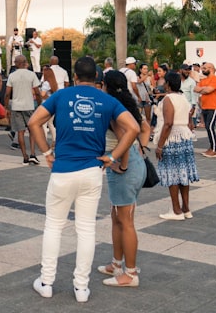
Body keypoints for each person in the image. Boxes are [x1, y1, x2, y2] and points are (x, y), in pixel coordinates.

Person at [27, 56, 139, 303]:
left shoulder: (61, 96)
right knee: (86, 229)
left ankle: (46, 281)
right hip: (92, 170)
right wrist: (112, 156)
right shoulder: (107, 100)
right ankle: (81, 287)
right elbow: (133, 128)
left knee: (53, 226)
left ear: (74, 76)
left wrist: (46, 152)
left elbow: (34, 121)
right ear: (97, 78)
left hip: (63, 170)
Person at [96, 70, 151, 288]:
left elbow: (123, 138)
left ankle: (130, 273)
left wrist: (122, 163)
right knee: (118, 217)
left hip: (124, 169)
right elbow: (144, 128)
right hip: (134, 164)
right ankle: (116, 264)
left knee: (125, 221)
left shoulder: (112, 108)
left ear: (105, 86)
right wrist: (142, 149)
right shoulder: (129, 105)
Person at [155, 71, 199, 220]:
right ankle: (186, 208)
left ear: (167, 84)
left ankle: (176, 210)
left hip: (172, 138)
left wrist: (160, 145)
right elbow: (189, 121)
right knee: (183, 173)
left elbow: (168, 123)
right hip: (184, 138)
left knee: (172, 174)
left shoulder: (168, 99)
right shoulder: (183, 98)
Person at [5, 55, 41, 165]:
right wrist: (40, 104)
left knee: (20, 132)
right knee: (32, 131)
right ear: (25, 62)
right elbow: (37, 92)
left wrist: (6, 107)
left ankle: (24, 156)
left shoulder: (12, 76)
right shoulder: (31, 75)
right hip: (29, 106)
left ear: (16, 63)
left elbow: (7, 94)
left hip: (16, 107)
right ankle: (33, 154)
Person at [197, 62, 216, 157]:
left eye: (204, 68)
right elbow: (196, 89)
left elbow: (208, 90)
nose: (202, 70)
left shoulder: (215, 79)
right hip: (205, 106)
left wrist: (203, 89)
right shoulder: (204, 80)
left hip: (213, 107)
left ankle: (214, 149)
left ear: (211, 68)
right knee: (208, 127)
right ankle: (211, 147)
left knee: (210, 127)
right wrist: (204, 89)